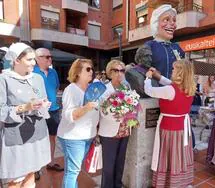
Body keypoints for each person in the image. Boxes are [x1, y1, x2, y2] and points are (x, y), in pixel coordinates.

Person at [0, 43, 51, 188]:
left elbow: (43, 99)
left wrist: (43, 104)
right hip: (16, 136)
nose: (34, 63)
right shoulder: (4, 79)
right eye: (29, 60)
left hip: (37, 133)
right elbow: (1, 110)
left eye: (34, 59)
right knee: (15, 181)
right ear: (16, 60)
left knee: (30, 174)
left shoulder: (37, 78)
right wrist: (24, 107)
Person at [144, 59, 196, 187]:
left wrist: (148, 78)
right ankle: (181, 181)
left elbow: (149, 90)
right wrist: (158, 76)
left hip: (170, 127)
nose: (172, 71)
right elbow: (168, 83)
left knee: (170, 156)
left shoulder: (169, 90)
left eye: (174, 69)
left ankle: (170, 183)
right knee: (180, 155)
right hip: (183, 128)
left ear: (180, 72)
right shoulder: (189, 87)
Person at [126, 4, 185, 97]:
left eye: (174, 20)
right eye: (167, 19)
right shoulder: (148, 47)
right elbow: (141, 73)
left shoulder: (177, 48)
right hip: (154, 94)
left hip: (175, 96)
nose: (173, 23)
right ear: (155, 23)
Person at [57, 59, 99, 188]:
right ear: (78, 72)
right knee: (73, 171)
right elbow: (69, 115)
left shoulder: (92, 88)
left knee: (75, 170)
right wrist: (86, 107)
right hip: (73, 137)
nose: (91, 71)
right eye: (87, 69)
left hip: (87, 135)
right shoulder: (71, 90)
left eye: (91, 68)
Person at [99, 60, 132, 188]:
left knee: (120, 162)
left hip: (124, 130)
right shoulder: (104, 89)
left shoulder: (126, 87)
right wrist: (116, 114)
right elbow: (102, 111)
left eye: (122, 71)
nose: (119, 74)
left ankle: (118, 185)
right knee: (109, 165)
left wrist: (130, 114)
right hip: (109, 131)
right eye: (116, 71)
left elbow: (132, 106)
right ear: (109, 73)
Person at [34, 48, 63, 172]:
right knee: (36, 138)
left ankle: (51, 162)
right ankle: (35, 168)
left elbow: (56, 88)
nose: (50, 59)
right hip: (38, 111)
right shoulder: (32, 72)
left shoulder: (53, 72)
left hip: (53, 110)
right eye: (47, 57)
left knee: (52, 137)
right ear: (38, 58)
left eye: (50, 57)